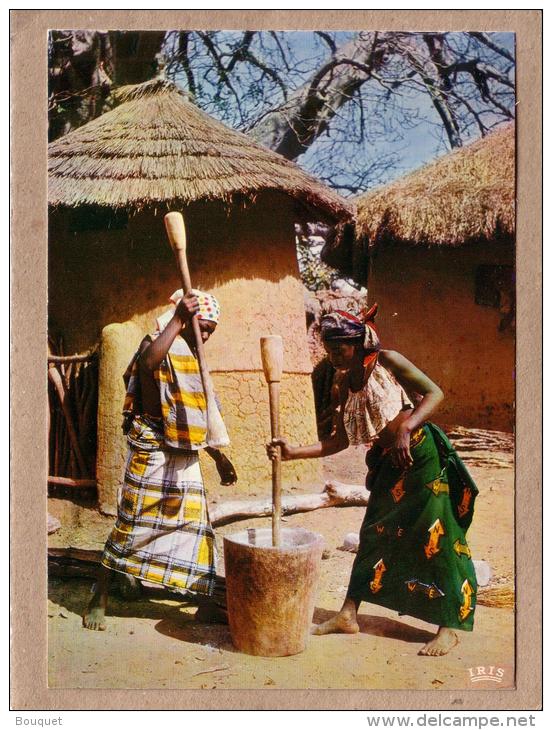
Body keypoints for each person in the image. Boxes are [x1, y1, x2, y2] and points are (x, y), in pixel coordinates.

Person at [267, 305, 478, 656]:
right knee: (373, 534)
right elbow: (339, 440)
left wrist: (407, 428)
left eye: (340, 347)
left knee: (437, 534)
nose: (333, 354)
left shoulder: (388, 360)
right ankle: (348, 614)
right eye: (329, 347)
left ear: (359, 341)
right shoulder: (343, 383)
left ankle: (449, 626)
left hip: (421, 456)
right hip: (390, 464)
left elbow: (434, 393)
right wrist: (292, 452)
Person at [83, 289, 236, 631]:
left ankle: (204, 601)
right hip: (151, 448)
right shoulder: (155, 342)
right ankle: (100, 594)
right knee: (133, 522)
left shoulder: (195, 358)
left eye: (211, 330)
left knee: (197, 527)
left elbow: (198, 415)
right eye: (202, 326)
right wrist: (180, 317)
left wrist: (217, 455)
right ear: (184, 318)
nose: (206, 335)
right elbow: (149, 364)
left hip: (184, 454)